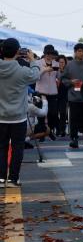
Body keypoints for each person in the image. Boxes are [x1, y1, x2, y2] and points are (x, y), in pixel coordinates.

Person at [0, 39, 41, 187]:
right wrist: (33, 60)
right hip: (18, 117)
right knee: (18, 148)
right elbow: (36, 75)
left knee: (1, 148)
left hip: (0, 117)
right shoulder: (22, 71)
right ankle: (13, 179)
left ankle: (1, 178)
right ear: (18, 52)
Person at [61, 42, 83, 149]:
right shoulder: (69, 65)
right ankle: (74, 139)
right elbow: (63, 79)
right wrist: (71, 82)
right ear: (75, 52)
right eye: (79, 51)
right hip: (74, 96)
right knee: (74, 119)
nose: (81, 53)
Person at [35, 45, 61, 141]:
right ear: (44, 53)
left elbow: (59, 76)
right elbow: (35, 76)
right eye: (48, 53)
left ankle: (49, 131)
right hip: (40, 91)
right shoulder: (37, 63)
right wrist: (44, 70)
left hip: (53, 92)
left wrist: (60, 71)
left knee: (53, 113)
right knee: (41, 114)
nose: (49, 56)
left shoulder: (56, 63)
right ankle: (42, 133)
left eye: (51, 54)